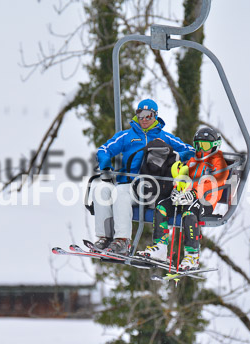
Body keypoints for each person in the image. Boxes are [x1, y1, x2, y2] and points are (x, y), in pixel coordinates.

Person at [93, 99, 195, 254]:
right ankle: (105, 237)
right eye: (140, 114)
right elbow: (104, 149)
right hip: (130, 185)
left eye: (148, 115)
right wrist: (106, 166)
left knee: (121, 193)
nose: (144, 119)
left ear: (155, 116)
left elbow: (190, 151)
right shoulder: (127, 136)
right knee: (101, 191)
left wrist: (173, 156)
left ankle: (122, 241)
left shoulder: (165, 137)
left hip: (153, 188)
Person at [138, 126, 229, 270]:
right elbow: (182, 177)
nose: (201, 149)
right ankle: (160, 247)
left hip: (205, 200)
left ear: (215, 146)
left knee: (189, 213)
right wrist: (176, 190)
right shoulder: (192, 160)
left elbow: (214, 181)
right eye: (197, 145)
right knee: (162, 206)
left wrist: (194, 193)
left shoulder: (218, 162)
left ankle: (192, 255)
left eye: (205, 146)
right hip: (185, 197)